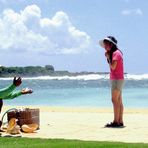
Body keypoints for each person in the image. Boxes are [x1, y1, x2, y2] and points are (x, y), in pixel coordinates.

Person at [99, 36, 124, 127]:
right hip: (118, 78)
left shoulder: (116, 53)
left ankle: (115, 122)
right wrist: (108, 56)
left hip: (117, 79)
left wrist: (108, 57)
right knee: (119, 101)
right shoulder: (116, 53)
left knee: (114, 100)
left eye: (106, 44)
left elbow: (113, 67)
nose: (105, 46)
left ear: (111, 44)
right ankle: (120, 121)